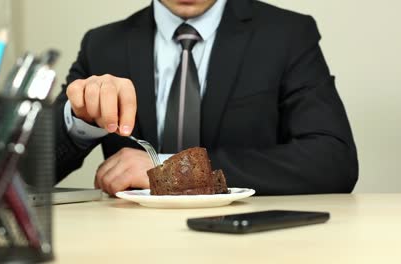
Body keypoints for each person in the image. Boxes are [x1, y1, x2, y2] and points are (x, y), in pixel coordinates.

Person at [54, 0, 358, 196]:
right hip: (129, 245)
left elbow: (333, 161)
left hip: (251, 247)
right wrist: (80, 119)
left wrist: (169, 169)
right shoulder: (103, 44)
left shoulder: (287, 34)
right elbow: (21, 171)